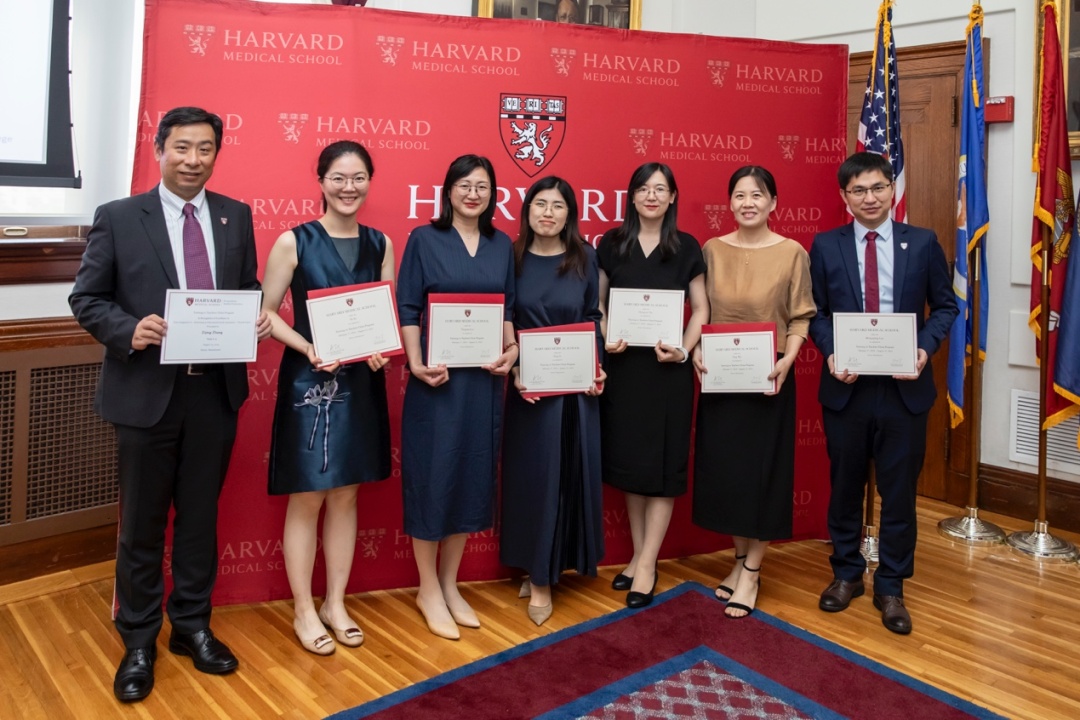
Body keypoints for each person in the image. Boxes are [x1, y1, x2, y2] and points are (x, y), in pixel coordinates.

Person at [69, 107, 271, 702]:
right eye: (181, 147)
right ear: (160, 149)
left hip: (213, 392)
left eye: (205, 149)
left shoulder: (235, 215)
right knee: (141, 525)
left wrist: (253, 314)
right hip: (145, 393)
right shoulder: (118, 216)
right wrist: (128, 329)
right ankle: (138, 639)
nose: (193, 160)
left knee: (200, 518)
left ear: (216, 154)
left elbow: (246, 286)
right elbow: (87, 298)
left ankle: (191, 626)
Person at [809, 152, 957, 635]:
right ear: (844, 196)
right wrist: (831, 351)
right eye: (858, 190)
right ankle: (846, 574)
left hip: (904, 391)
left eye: (877, 188)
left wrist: (923, 349)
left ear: (892, 190)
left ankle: (891, 585)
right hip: (847, 389)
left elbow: (945, 307)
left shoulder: (923, 242)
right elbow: (815, 313)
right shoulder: (825, 245)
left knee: (898, 494)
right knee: (845, 488)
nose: (869, 198)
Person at [261, 141, 393, 655]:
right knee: (308, 496)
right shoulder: (293, 242)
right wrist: (307, 347)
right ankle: (302, 608)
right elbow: (264, 314)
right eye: (338, 177)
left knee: (346, 495)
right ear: (321, 181)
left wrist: (381, 351)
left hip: (361, 384)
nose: (348, 188)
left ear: (370, 182)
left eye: (358, 178)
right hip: (309, 384)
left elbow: (383, 315)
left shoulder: (381, 243)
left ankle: (336, 603)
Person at [397, 155, 518, 640]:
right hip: (437, 381)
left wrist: (511, 349)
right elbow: (408, 307)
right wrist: (415, 362)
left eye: (482, 186)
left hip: (483, 384)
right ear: (448, 191)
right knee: (433, 479)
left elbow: (507, 308)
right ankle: (427, 589)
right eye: (464, 185)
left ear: (493, 194)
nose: (473, 193)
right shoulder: (424, 239)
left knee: (470, 477)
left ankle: (450, 584)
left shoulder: (501, 244)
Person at [690, 166, 815, 618]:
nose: (748, 203)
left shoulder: (792, 252)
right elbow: (702, 310)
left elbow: (801, 316)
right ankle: (740, 559)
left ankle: (753, 572)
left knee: (763, 475)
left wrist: (788, 360)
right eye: (740, 195)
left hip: (769, 377)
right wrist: (696, 348)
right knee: (729, 474)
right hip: (721, 377)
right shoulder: (711, 249)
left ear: (773, 202)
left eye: (757, 195)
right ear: (729, 203)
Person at [597, 162, 709, 609]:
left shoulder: (686, 246)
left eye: (660, 189)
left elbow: (701, 309)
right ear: (632, 195)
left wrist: (683, 349)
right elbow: (598, 303)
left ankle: (646, 564)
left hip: (668, 373)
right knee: (632, 467)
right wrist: (606, 335)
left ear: (673, 197)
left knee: (661, 470)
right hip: (625, 371)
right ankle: (639, 556)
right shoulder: (612, 243)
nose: (651, 196)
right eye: (643, 188)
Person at [501, 176, 606, 626]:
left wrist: (597, 367)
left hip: (577, 387)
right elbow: (505, 314)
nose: (548, 212)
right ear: (527, 211)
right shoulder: (511, 256)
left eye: (558, 205)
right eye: (540, 204)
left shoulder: (585, 257)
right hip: (531, 387)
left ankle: (552, 567)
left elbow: (592, 317)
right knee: (535, 481)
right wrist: (516, 368)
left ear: (570, 214)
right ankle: (538, 573)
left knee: (568, 476)